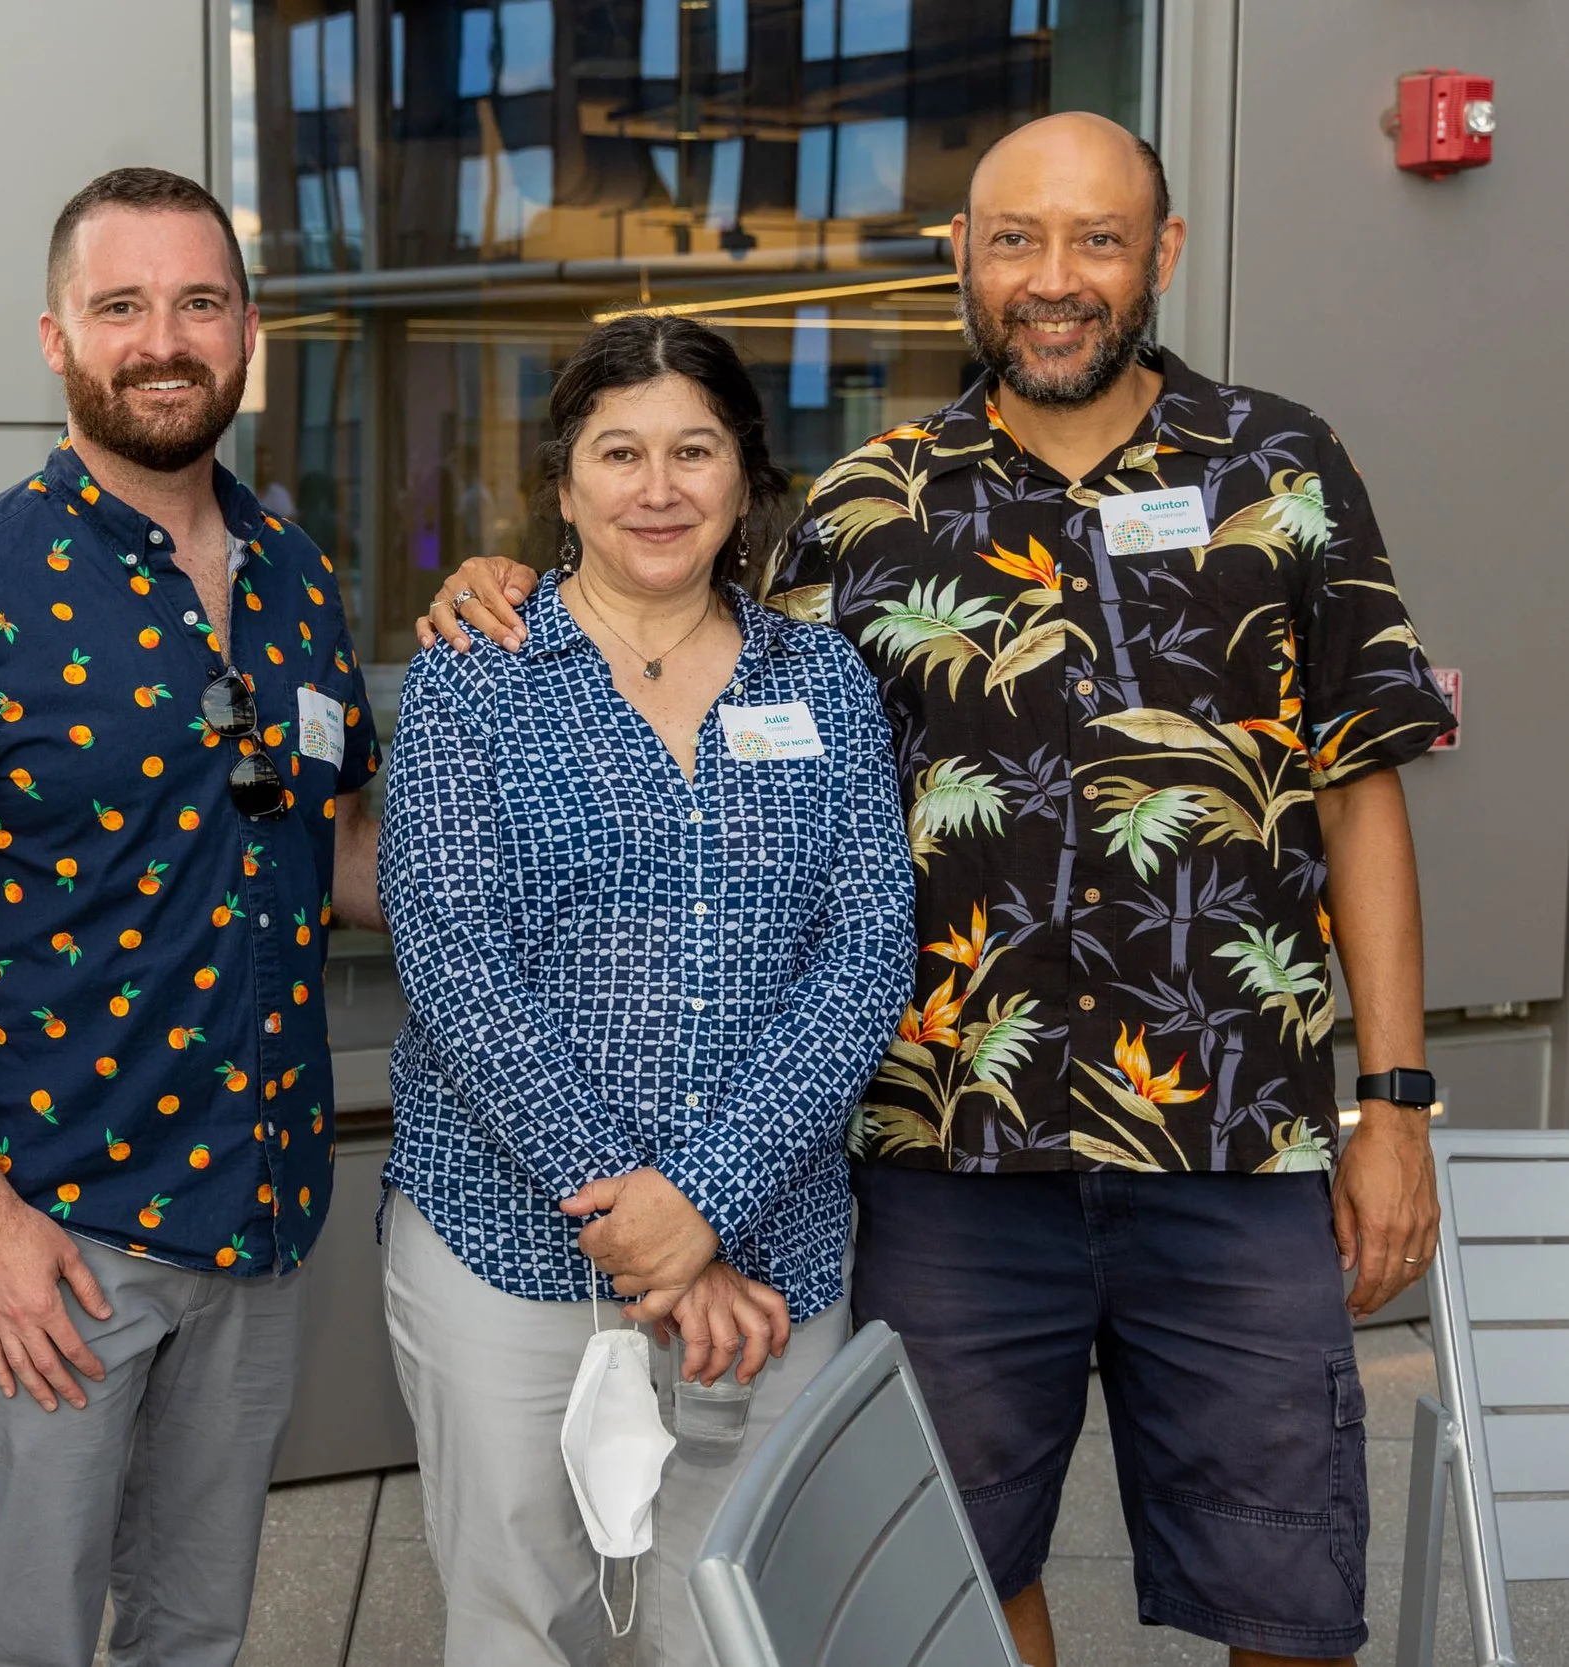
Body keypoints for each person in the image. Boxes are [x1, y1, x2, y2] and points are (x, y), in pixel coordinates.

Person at [421, 112, 1453, 1667]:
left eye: (1096, 239)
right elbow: (670, 609)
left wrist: (1397, 1101)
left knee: (1290, 1584)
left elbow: (1363, 788)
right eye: (1017, 240)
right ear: (960, 263)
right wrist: (502, 579)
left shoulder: (1284, 468)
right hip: (952, 1158)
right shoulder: (861, 509)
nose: (1055, 278)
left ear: (1161, 256)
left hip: (1238, 1140)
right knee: (956, 1572)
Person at [0, 166, 384, 1667]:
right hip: (57, 1241)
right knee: (31, 1638)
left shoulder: (295, 578)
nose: (164, 337)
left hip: (259, 1224)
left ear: (248, 331)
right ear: (56, 337)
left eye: (199, 301)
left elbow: (331, 851)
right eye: (121, 304)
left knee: (194, 1634)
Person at [380, 313, 913, 1666]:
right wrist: (640, 1215)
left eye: (695, 449)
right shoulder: (471, 675)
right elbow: (451, 955)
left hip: (771, 1264)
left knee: (741, 1624)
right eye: (620, 452)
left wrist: (707, 1204)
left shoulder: (828, 684)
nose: (658, 487)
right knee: (518, 1621)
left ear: (746, 477)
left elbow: (863, 961)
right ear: (564, 483)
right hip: (505, 1247)